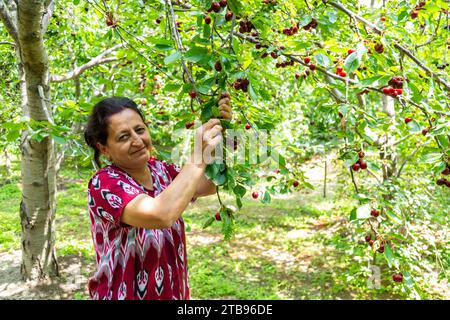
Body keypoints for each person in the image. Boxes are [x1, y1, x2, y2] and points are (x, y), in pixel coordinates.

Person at [83, 93, 232, 300]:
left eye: (140, 130)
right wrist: (198, 154)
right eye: (123, 137)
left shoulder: (162, 170)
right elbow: (160, 215)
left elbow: (208, 185)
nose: (137, 141)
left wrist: (222, 135)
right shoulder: (104, 183)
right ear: (104, 148)